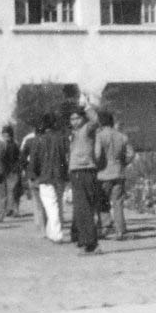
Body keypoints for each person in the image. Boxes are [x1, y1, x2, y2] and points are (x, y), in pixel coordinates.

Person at [94, 110, 134, 243]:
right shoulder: (122, 136)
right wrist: (123, 163)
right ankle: (120, 230)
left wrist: (97, 166)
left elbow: (98, 154)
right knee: (118, 203)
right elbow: (131, 154)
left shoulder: (99, 136)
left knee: (102, 202)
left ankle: (105, 226)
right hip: (118, 172)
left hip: (103, 174)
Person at [67, 103, 101, 254]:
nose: (74, 121)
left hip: (85, 170)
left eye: (77, 118)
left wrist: (87, 107)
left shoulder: (86, 129)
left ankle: (90, 243)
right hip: (76, 171)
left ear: (82, 118)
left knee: (84, 207)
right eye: (72, 119)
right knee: (80, 208)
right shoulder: (73, 134)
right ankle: (82, 238)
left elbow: (95, 121)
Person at [29, 114, 69, 242]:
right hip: (60, 175)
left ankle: (56, 234)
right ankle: (53, 231)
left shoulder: (38, 140)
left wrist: (32, 175)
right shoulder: (62, 138)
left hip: (45, 176)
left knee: (50, 206)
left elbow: (34, 160)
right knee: (58, 204)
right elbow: (66, 157)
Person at [1, 126, 22, 216]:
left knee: (12, 191)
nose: (5, 137)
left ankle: (13, 210)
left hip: (11, 171)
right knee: (12, 191)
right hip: (12, 170)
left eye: (6, 135)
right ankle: (12, 209)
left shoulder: (8, 145)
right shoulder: (15, 144)